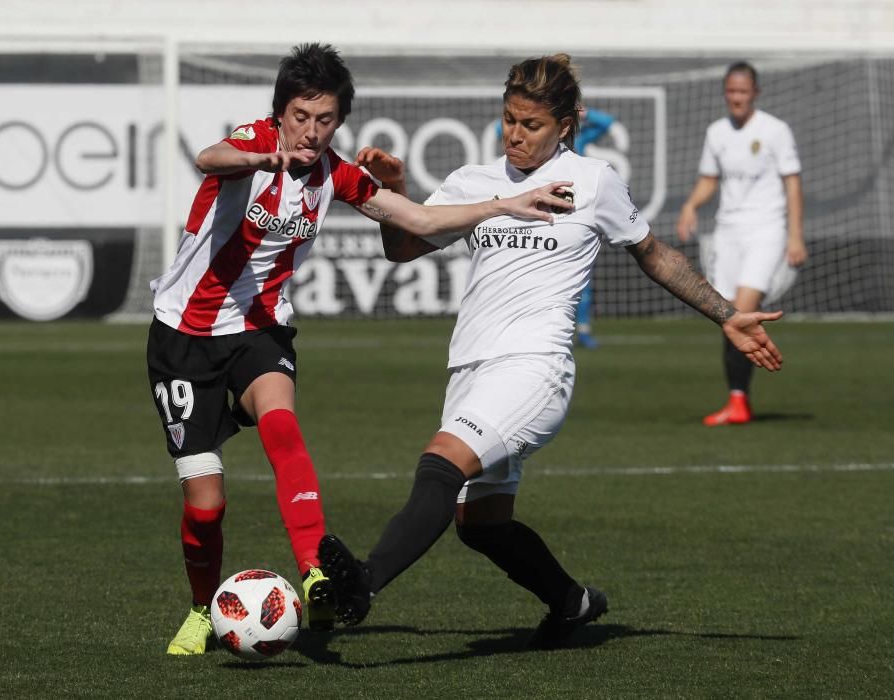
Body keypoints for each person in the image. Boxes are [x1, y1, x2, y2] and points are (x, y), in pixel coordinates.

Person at [318, 54, 784, 649]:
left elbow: (654, 254)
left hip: (535, 369)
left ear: (566, 125)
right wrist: (396, 189)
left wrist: (727, 314)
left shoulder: (594, 182)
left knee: (439, 461)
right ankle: (573, 602)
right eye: (509, 119)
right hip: (470, 368)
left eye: (531, 124)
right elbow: (403, 248)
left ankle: (363, 582)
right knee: (480, 525)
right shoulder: (474, 182)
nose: (515, 134)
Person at [147, 42, 574, 655]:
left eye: (325, 120)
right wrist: (266, 156)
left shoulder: (337, 175)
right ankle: (199, 606)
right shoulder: (255, 142)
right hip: (182, 338)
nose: (310, 131)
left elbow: (421, 222)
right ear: (281, 112)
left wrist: (506, 203)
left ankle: (316, 572)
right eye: (300, 116)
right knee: (206, 504)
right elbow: (207, 157)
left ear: (340, 122)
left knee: (283, 425)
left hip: (259, 331)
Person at [676, 61, 806, 426]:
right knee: (728, 316)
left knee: (742, 311)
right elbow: (709, 179)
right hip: (727, 233)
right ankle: (738, 399)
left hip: (766, 230)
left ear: (755, 93)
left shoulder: (775, 131)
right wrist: (690, 205)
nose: (736, 98)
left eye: (743, 91)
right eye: (731, 91)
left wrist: (795, 234)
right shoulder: (716, 132)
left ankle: (739, 403)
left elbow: (792, 183)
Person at [497, 105, 621, 349]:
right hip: (537, 205)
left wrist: (585, 114)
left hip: (569, 206)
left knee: (581, 278)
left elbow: (607, 122)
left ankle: (583, 331)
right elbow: (495, 129)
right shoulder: (533, 144)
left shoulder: (581, 139)